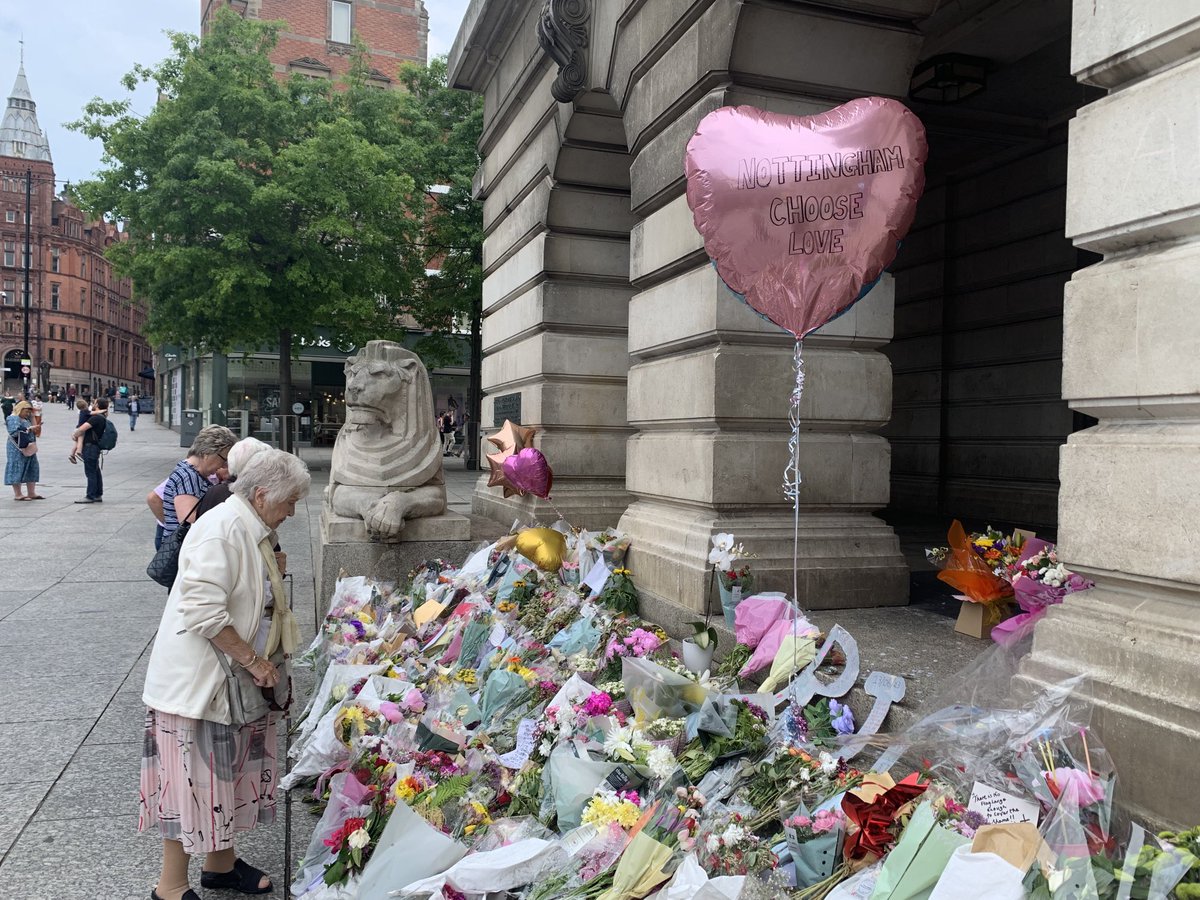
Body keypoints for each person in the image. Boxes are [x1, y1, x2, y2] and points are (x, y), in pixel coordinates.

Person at [140, 449, 310, 900]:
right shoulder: (222, 529)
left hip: (227, 685)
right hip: (200, 687)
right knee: (190, 786)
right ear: (260, 494)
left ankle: (220, 865)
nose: (293, 511)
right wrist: (255, 662)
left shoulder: (251, 526)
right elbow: (203, 611)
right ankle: (170, 888)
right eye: (290, 501)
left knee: (225, 781)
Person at [157, 425, 237, 542]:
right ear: (207, 453)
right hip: (183, 549)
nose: (224, 466)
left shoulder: (191, 472)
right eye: (224, 460)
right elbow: (189, 519)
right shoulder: (188, 476)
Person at [71, 398, 110, 504]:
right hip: (94, 447)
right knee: (96, 471)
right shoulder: (101, 417)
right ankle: (97, 494)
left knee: (91, 472)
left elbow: (82, 428)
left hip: (90, 447)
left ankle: (90, 495)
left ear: (97, 405)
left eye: (94, 403)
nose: (92, 404)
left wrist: (75, 435)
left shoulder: (96, 418)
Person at [6, 400, 42, 501]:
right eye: (26, 411)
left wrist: (33, 421)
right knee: (17, 467)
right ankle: (18, 493)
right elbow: (14, 432)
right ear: (20, 409)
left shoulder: (25, 419)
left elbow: (32, 429)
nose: (28, 414)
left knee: (32, 466)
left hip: (28, 446)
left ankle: (31, 492)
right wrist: (30, 429)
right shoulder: (13, 418)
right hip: (17, 447)